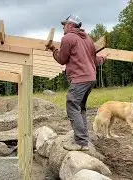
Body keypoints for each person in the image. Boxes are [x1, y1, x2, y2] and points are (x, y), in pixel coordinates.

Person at [46, 15, 109, 151]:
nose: (63, 27)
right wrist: (104, 58)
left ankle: (81, 142)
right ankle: (83, 139)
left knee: (72, 106)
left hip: (80, 79)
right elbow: (95, 60)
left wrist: (53, 50)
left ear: (70, 25)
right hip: (90, 78)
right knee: (80, 108)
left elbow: (62, 59)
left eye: (64, 25)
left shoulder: (68, 38)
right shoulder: (88, 39)